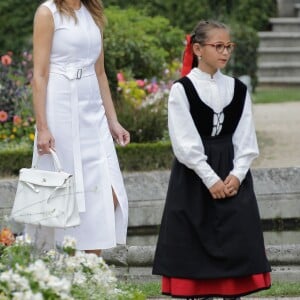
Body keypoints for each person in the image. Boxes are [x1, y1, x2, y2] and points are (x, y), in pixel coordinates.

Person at [152, 20, 271, 299]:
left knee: (235, 242)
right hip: (195, 178)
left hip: (231, 175)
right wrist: (210, 179)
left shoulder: (238, 89)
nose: (225, 52)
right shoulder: (183, 89)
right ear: (197, 48)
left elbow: (245, 138)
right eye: (218, 46)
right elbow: (184, 143)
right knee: (194, 246)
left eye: (229, 46)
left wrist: (236, 175)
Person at [28, 0, 130, 256]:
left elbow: (100, 72)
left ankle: (90, 266)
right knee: (64, 191)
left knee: (109, 189)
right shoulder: (47, 12)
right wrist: (42, 127)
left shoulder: (94, 12)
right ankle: (63, 265)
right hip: (60, 108)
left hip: (92, 110)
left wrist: (113, 120)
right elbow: (39, 74)